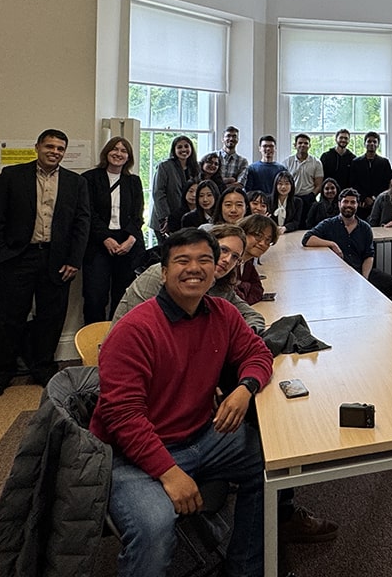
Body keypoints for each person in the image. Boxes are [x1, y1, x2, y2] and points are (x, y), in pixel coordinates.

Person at [90, 228, 272, 577]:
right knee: (154, 528)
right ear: (163, 272)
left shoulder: (222, 313)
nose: (195, 268)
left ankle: (243, 569)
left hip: (201, 436)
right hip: (131, 457)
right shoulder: (134, 330)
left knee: (273, 464)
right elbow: (122, 417)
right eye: (182, 261)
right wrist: (169, 472)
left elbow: (258, 353)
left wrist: (245, 387)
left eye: (205, 260)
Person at [0, 129, 91, 399]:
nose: (55, 152)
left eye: (60, 148)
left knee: (51, 317)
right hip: (18, 257)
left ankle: (43, 368)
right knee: (9, 317)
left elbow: (81, 224)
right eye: (50, 146)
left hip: (57, 259)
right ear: (37, 147)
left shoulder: (75, 183)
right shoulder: (11, 176)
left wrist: (74, 260)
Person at [113, 223, 266, 333]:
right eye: (223, 250)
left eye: (235, 257)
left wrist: (245, 334)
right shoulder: (159, 275)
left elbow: (253, 316)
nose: (227, 260)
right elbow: (137, 331)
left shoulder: (219, 286)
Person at [81, 136, 145, 326]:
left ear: (129, 157)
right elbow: (88, 213)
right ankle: (93, 343)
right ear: (107, 152)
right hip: (98, 243)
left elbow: (138, 214)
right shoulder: (90, 178)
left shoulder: (133, 181)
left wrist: (131, 240)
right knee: (95, 297)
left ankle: (117, 341)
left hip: (127, 243)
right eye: (115, 149)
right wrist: (105, 238)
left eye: (123, 151)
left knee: (123, 297)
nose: (118, 153)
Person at [302, 189, 392, 298]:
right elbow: (307, 239)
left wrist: (364, 280)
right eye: (345, 202)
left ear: (358, 205)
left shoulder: (365, 228)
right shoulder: (329, 224)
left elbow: (368, 255)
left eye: (352, 202)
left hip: (360, 271)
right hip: (336, 275)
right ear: (339, 203)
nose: (348, 205)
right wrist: (332, 244)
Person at [151, 135, 199, 242]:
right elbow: (158, 193)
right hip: (165, 218)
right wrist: (166, 219)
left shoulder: (195, 168)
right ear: (174, 150)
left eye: (186, 146)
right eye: (179, 147)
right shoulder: (164, 166)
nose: (183, 149)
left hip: (185, 219)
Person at [235, 214, 279, 306]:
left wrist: (243, 286)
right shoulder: (228, 261)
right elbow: (235, 299)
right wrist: (247, 286)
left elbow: (258, 289)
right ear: (243, 233)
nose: (263, 243)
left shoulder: (248, 261)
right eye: (258, 236)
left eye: (268, 240)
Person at [349, 131, 392, 218]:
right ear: (364, 144)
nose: (372, 143)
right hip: (361, 203)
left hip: (380, 202)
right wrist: (364, 197)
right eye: (369, 141)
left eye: (374, 142)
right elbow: (353, 183)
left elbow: (388, 182)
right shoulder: (356, 162)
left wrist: (375, 198)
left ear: (378, 144)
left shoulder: (384, 162)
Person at [283, 133, 323, 205]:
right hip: (292, 198)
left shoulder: (316, 163)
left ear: (309, 146)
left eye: (306, 143)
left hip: (309, 199)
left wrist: (312, 195)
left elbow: (319, 185)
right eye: (300, 143)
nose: (303, 145)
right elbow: (283, 182)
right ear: (295, 145)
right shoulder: (287, 162)